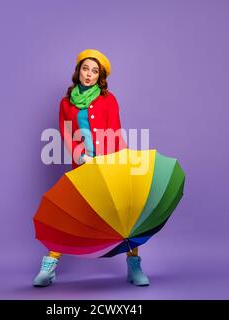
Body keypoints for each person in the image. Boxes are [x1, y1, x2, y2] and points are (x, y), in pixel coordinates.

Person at [33, 49, 149, 287]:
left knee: (125, 215)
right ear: (78, 71)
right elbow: (65, 132)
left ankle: (134, 266)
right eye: (86, 69)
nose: (89, 75)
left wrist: (122, 161)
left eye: (95, 71)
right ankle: (50, 266)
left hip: (109, 165)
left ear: (100, 77)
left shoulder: (109, 99)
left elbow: (115, 131)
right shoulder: (66, 102)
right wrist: (80, 154)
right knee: (69, 214)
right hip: (82, 167)